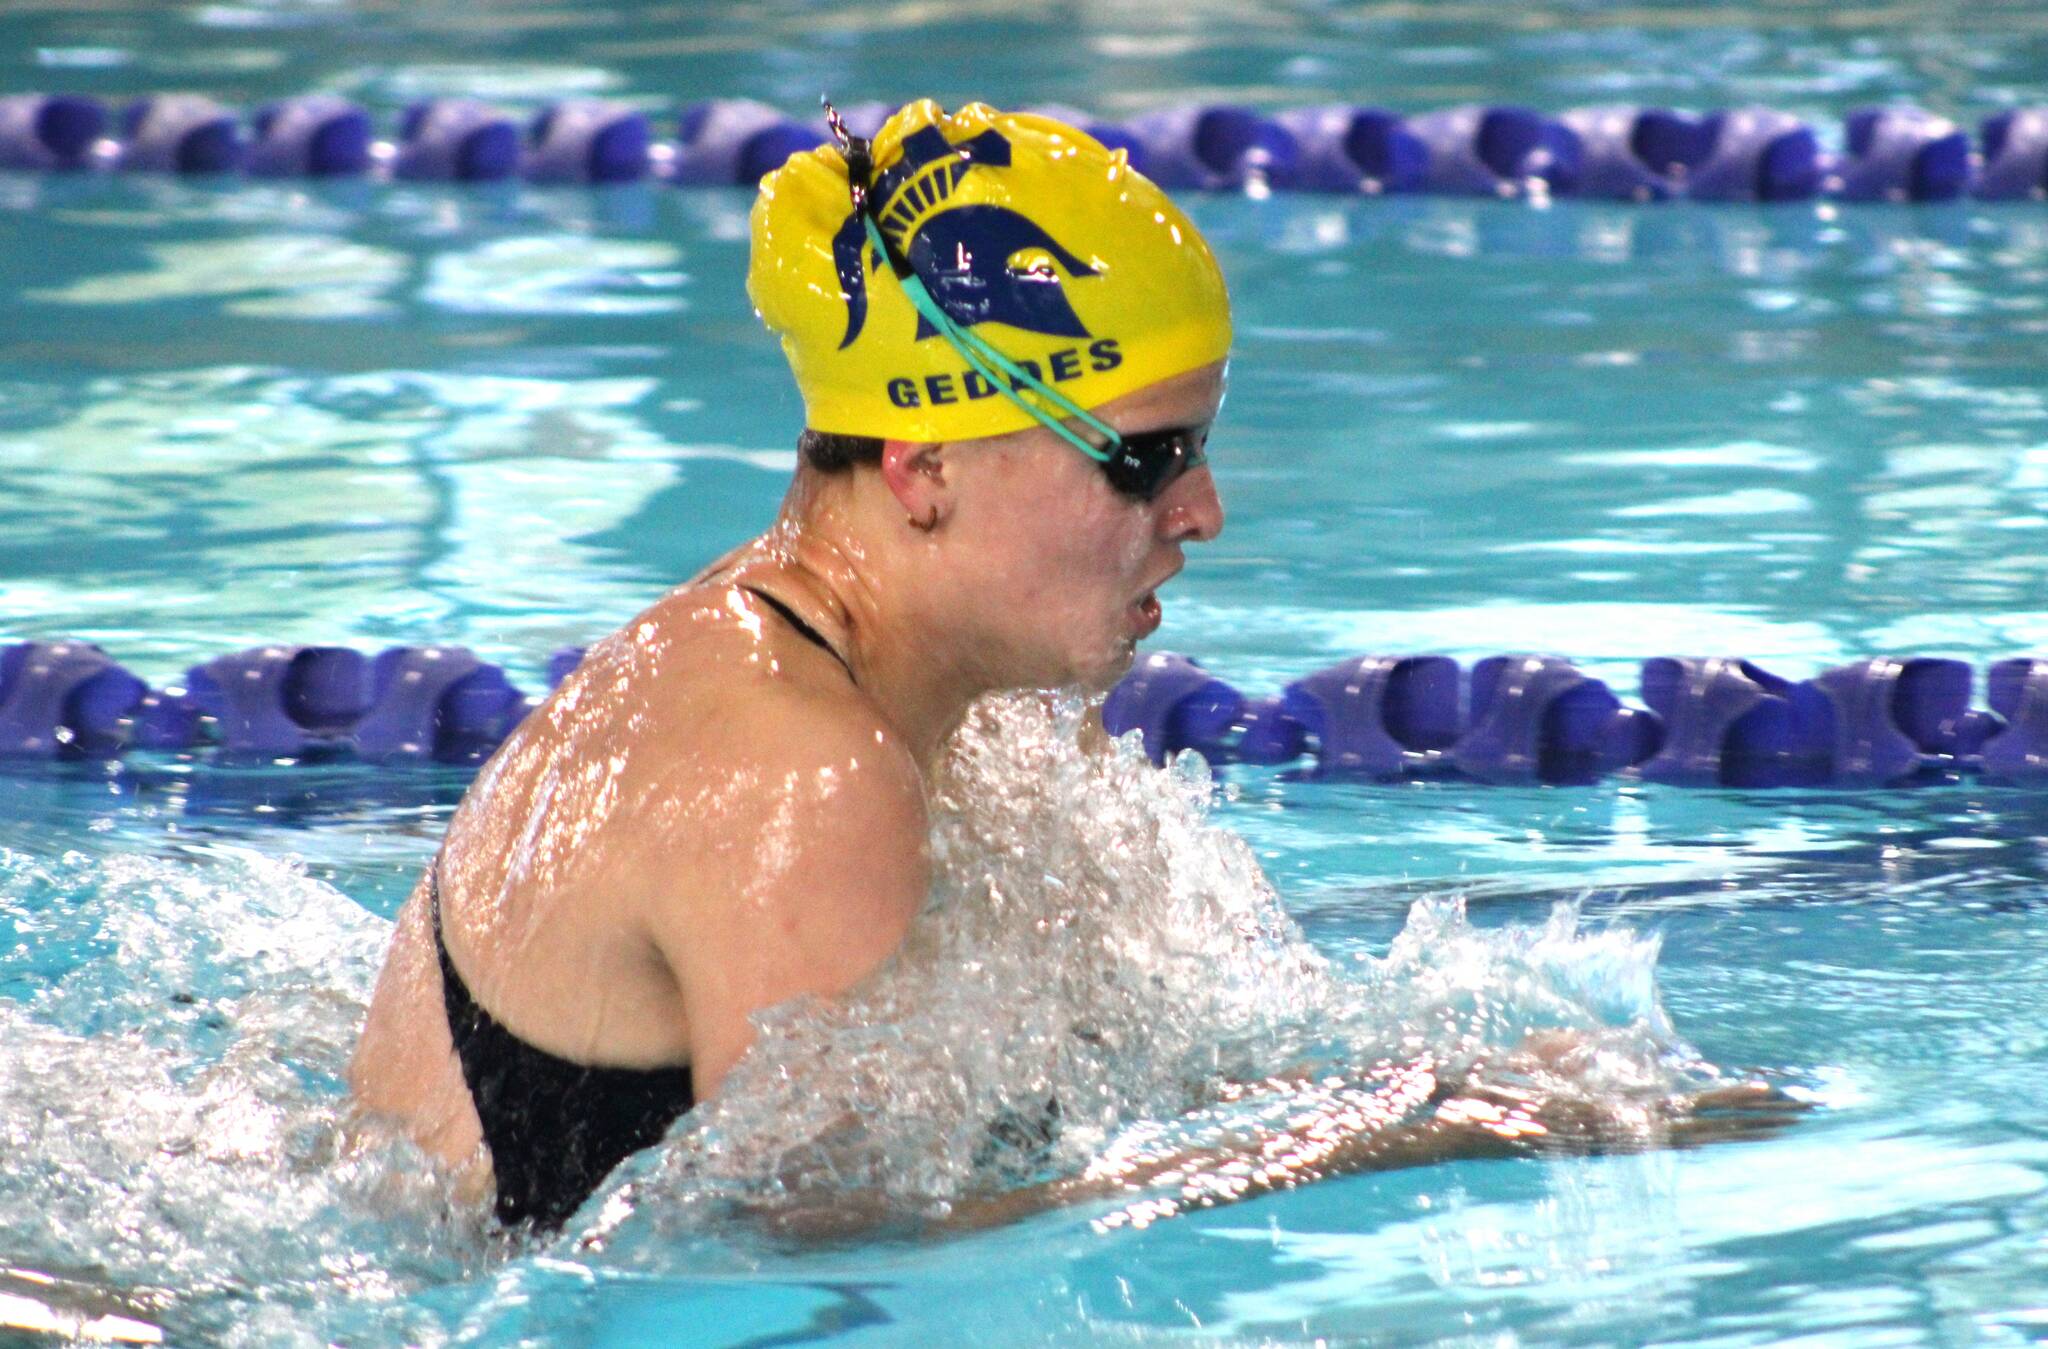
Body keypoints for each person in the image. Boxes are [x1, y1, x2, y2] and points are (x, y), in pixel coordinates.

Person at [349, 98, 1234, 1229]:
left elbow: (1113, 1080)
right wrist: (1395, 1135)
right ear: (924, 469)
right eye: (1143, 460)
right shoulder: (802, 774)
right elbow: (835, 1256)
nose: (1200, 511)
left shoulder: (959, 688)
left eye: (1196, 448)